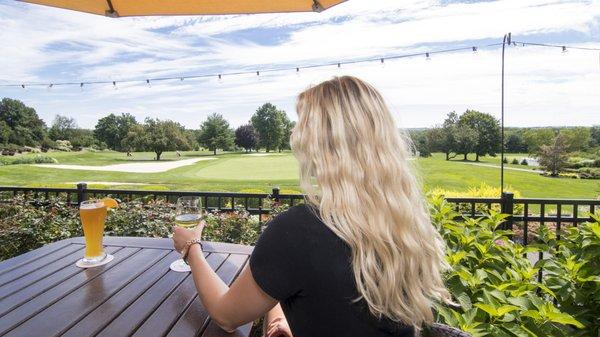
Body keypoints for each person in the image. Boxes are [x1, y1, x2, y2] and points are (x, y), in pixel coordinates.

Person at [173, 76, 452, 337]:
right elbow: (325, 298)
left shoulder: (299, 230)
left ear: (320, 145)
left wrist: (192, 248)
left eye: (302, 125)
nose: (295, 133)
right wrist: (278, 313)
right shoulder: (405, 223)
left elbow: (226, 315)